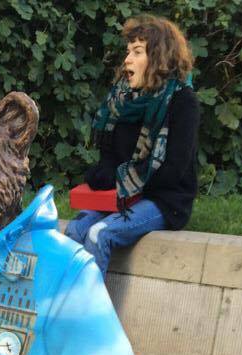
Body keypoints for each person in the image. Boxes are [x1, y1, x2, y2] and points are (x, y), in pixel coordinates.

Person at [65, 15, 200, 276]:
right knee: (74, 231)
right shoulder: (122, 100)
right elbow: (109, 156)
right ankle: (67, 301)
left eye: (137, 52)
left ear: (159, 57)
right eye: (128, 51)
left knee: (98, 234)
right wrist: (107, 175)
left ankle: (89, 304)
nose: (127, 59)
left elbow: (174, 170)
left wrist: (124, 181)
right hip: (124, 193)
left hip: (164, 199)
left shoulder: (183, 101)